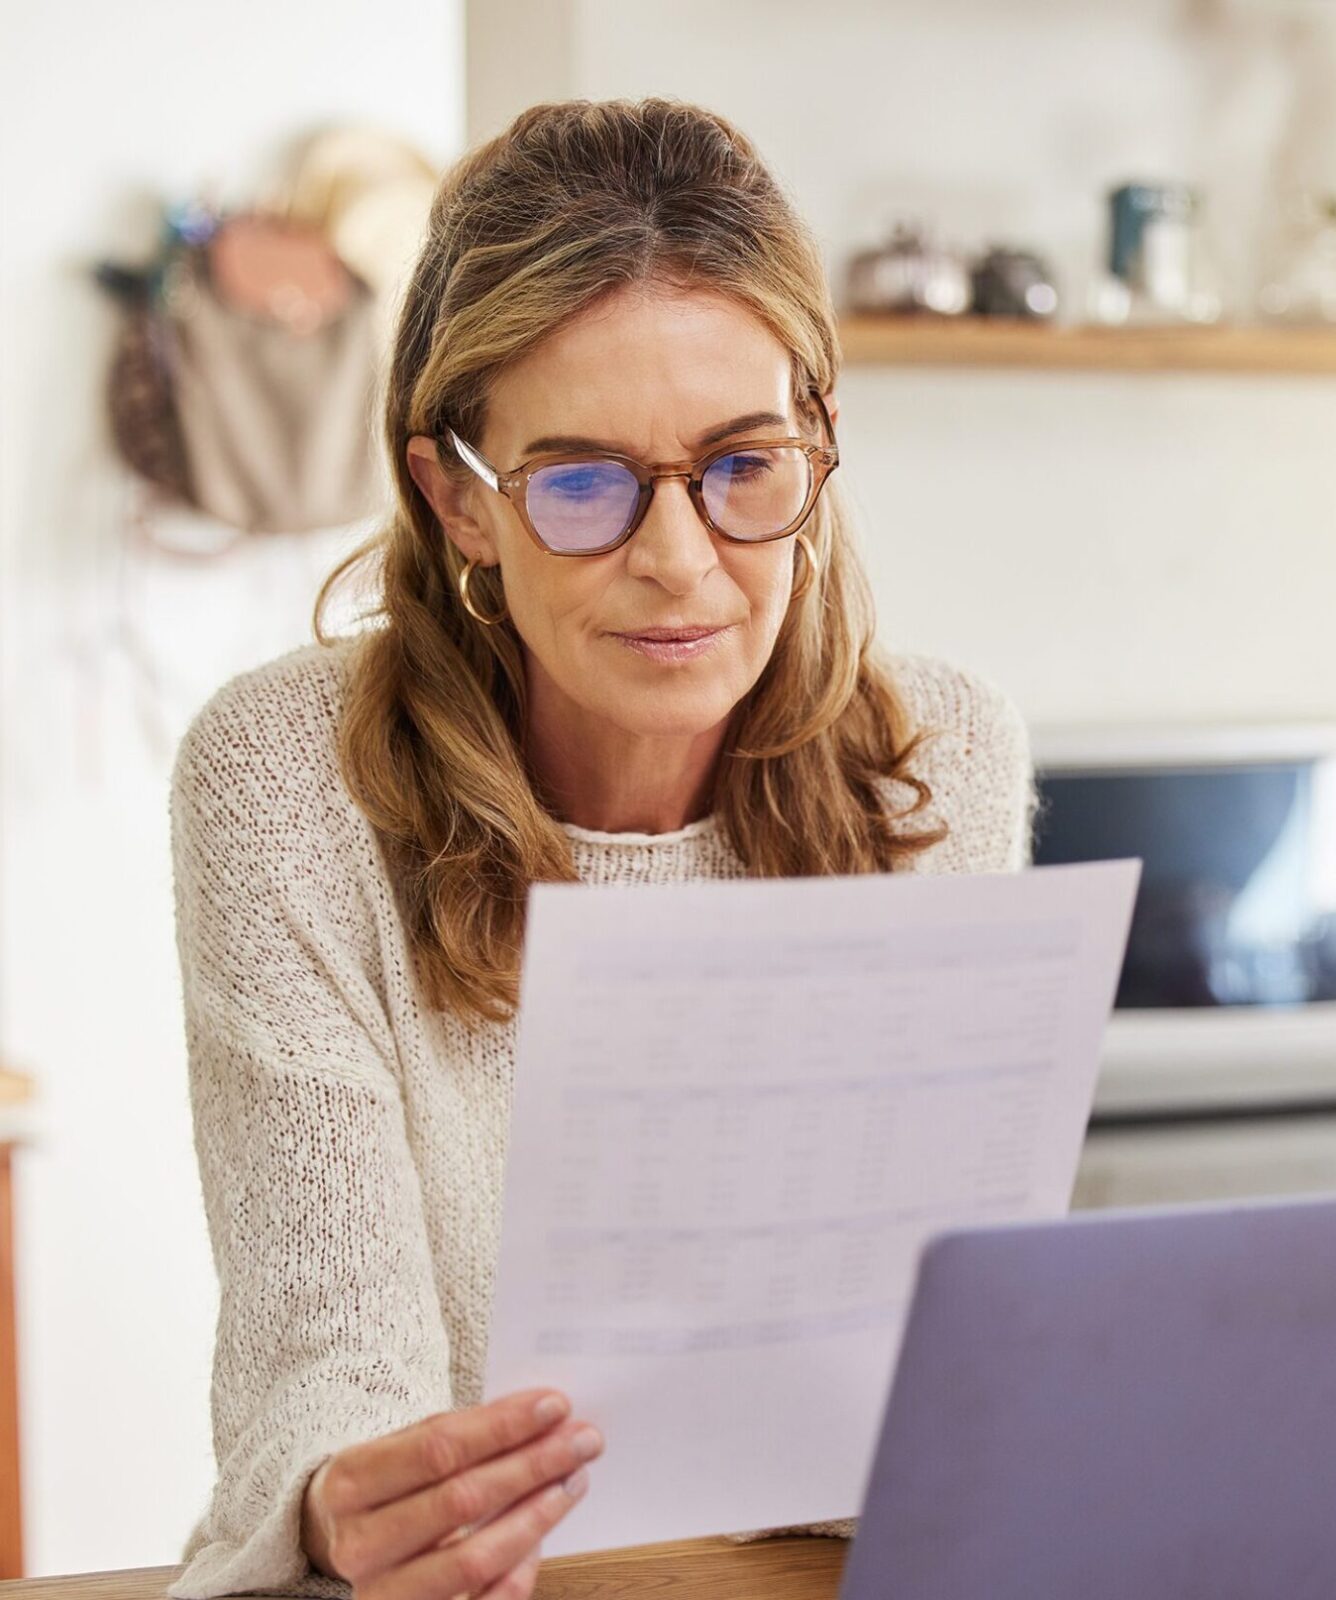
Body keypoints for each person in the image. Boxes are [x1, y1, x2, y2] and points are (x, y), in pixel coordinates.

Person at [168, 97, 1036, 1600]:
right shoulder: (286, 781)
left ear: (821, 443)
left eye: (746, 467)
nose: (681, 561)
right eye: (582, 485)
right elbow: (329, 1376)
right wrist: (341, 1504)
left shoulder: (941, 754)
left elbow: (918, 1369)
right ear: (460, 496)